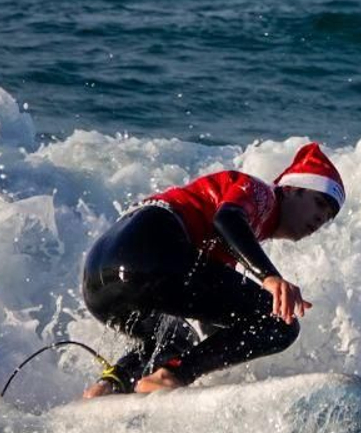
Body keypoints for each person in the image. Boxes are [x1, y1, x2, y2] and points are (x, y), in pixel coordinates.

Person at [80, 142, 345, 397]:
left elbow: (212, 314)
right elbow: (227, 219)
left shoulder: (231, 236)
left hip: (98, 278)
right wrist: (270, 277)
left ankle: (109, 385)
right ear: (289, 189)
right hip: (149, 248)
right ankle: (171, 376)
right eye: (320, 203)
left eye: (330, 215)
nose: (322, 218)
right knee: (280, 323)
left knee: (177, 339)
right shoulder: (261, 194)